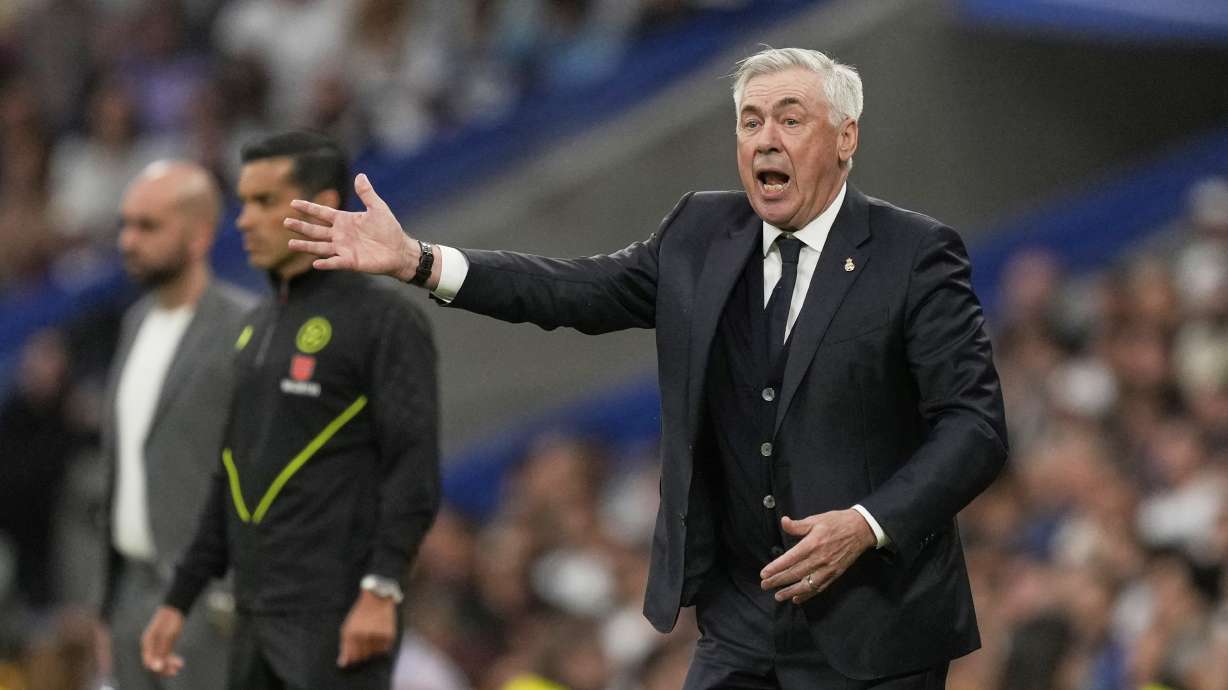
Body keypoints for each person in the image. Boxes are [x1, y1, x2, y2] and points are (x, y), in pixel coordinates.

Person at [288, 48, 1008, 689]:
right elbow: (574, 291)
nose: (766, 139)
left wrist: (866, 522)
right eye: (751, 121)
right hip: (740, 620)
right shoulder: (701, 231)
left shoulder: (913, 255)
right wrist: (421, 260)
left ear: (845, 138)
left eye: (790, 120)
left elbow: (975, 428)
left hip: (874, 625)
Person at [140, 131, 441, 690]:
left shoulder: (385, 323)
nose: (244, 221)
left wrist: (382, 589)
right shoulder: (255, 328)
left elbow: (414, 468)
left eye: (264, 201)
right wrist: (178, 599)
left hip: (335, 610)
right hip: (254, 612)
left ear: (322, 204)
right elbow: (232, 473)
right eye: (243, 202)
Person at [101, 160, 254, 690]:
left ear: (200, 235)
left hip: (206, 604)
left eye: (148, 226)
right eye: (125, 224)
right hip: (131, 597)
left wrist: (230, 592)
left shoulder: (245, 328)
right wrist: (110, 600)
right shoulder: (134, 323)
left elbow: (270, 467)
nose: (128, 241)